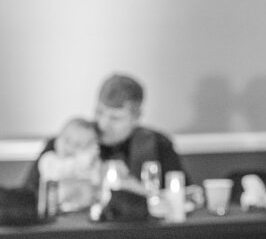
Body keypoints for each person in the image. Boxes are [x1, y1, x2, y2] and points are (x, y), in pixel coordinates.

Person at [21, 74, 186, 195]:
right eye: (99, 112)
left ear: (136, 118)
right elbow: (28, 195)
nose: (103, 124)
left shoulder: (157, 145)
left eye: (115, 118)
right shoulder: (66, 143)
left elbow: (182, 195)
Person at [35, 117, 100, 212]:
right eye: (66, 140)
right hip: (55, 211)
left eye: (78, 145)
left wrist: (91, 162)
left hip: (83, 213)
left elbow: (96, 182)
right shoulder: (49, 159)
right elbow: (56, 174)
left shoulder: (90, 165)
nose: (69, 147)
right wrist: (81, 162)